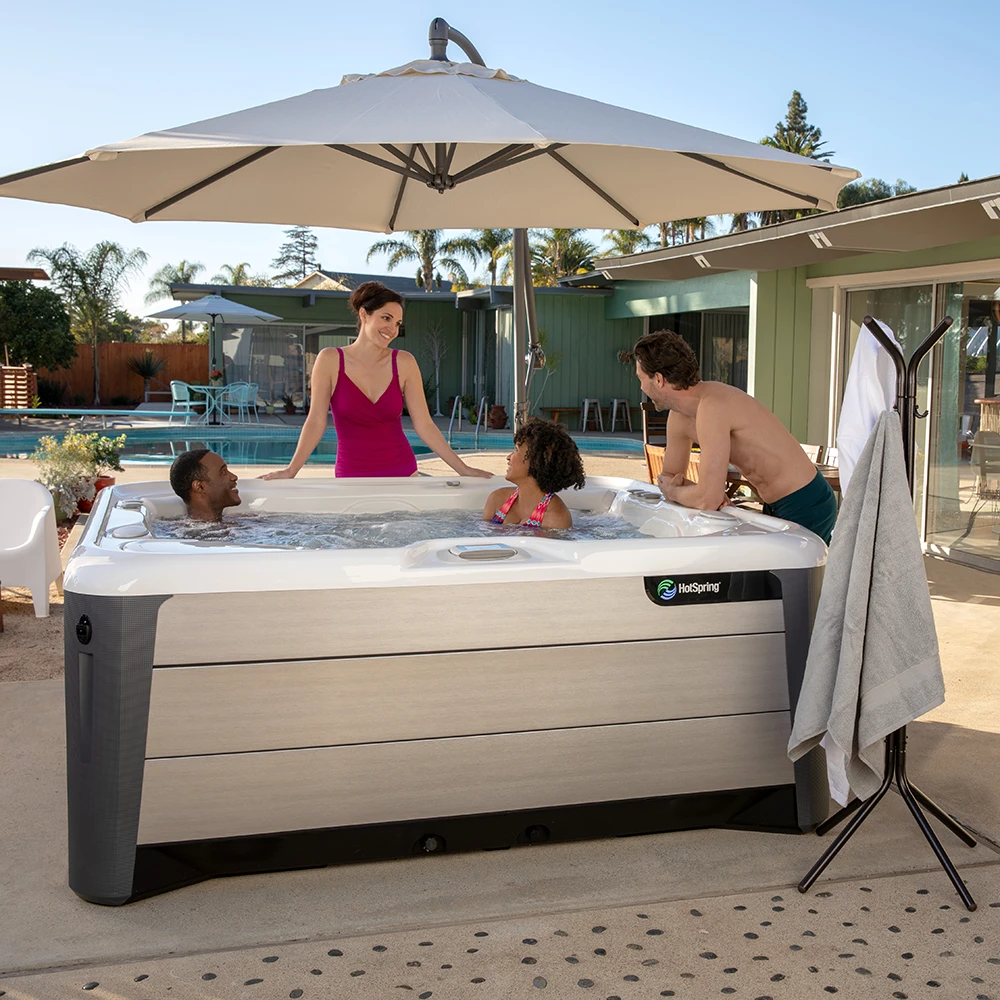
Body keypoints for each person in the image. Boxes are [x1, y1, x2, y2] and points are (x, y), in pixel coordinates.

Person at [260, 281, 492, 480]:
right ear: (364, 314)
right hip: (352, 475)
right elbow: (315, 422)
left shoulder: (404, 362)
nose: (392, 329)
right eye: (386, 318)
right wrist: (291, 470)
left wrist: (462, 469)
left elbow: (425, 425)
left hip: (403, 473)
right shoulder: (330, 360)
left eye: (398, 323)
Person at [633, 329, 838, 544]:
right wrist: (696, 492)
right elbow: (668, 478)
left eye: (641, 378)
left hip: (806, 500)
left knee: (785, 576)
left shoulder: (713, 406)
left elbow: (703, 498)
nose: (640, 386)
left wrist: (686, 493)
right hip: (774, 502)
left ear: (658, 379)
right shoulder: (679, 417)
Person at [483, 417, 585, 529]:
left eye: (516, 450)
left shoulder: (555, 518)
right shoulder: (497, 500)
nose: (509, 457)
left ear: (535, 462)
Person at [169, 449, 241, 522]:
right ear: (200, 487)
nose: (234, 477)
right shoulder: (194, 532)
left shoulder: (239, 520)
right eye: (223, 472)